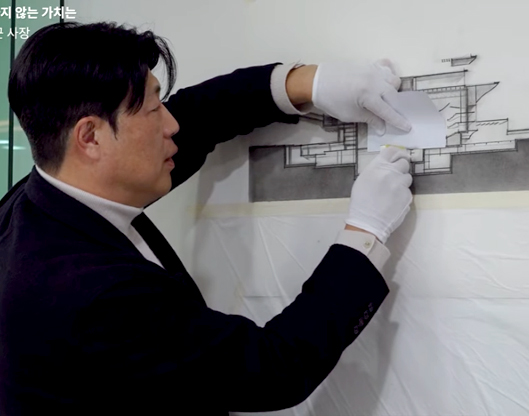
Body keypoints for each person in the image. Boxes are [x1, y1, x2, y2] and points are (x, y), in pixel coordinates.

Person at [0, 22, 413, 415]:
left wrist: (306, 83)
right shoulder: (94, 295)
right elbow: (274, 369)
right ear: (90, 137)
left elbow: (196, 117)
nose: (171, 123)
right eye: (153, 109)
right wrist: (366, 232)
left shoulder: (38, 199)